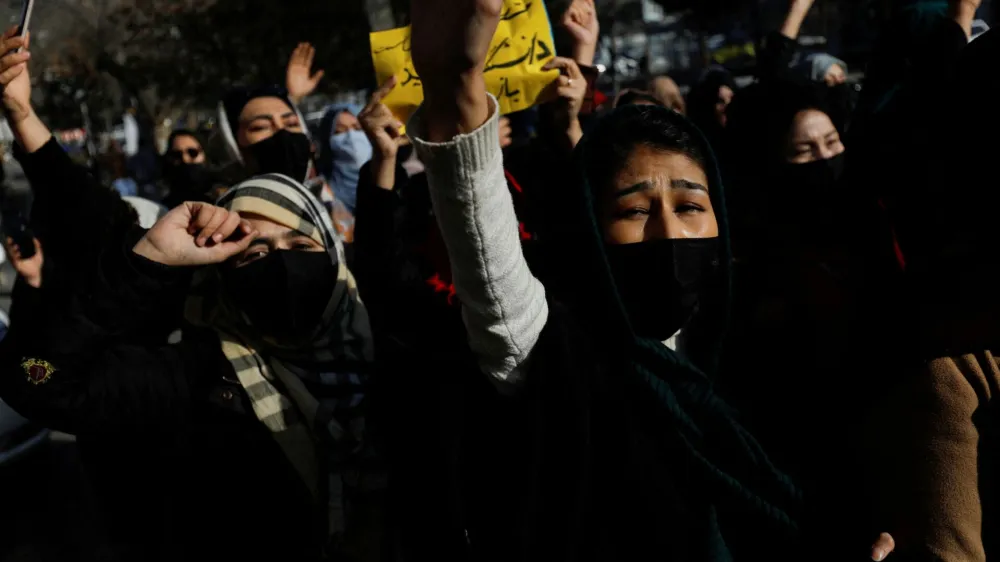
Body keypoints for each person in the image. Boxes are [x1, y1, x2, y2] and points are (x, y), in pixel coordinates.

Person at [404, 2, 897, 559]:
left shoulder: (768, 340)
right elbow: (490, 270)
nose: (669, 231)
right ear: (591, 228)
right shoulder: (560, 352)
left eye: (690, 206)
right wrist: (456, 87)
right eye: (635, 211)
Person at [0, 168, 376, 559]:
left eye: (301, 245)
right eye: (254, 254)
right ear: (223, 279)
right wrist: (148, 261)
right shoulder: (198, 376)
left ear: (333, 255)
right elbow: (34, 380)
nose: (284, 265)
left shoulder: (389, 351)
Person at [160, 129, 219, 209]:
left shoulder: (221, 192)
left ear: (204, 154)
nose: (185, 159)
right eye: (177, 155)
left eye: (192, 152)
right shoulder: (165, 206)